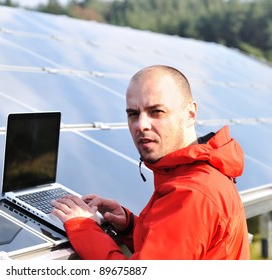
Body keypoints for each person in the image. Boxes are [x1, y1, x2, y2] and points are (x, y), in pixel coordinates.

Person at [51, 65, 250, 260]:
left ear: (190, 113)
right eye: (133, 114)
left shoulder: (191, 194)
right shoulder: (197, 173)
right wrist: (129, 226)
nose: (141, 125)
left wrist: (83, 227)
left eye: (156, 112)